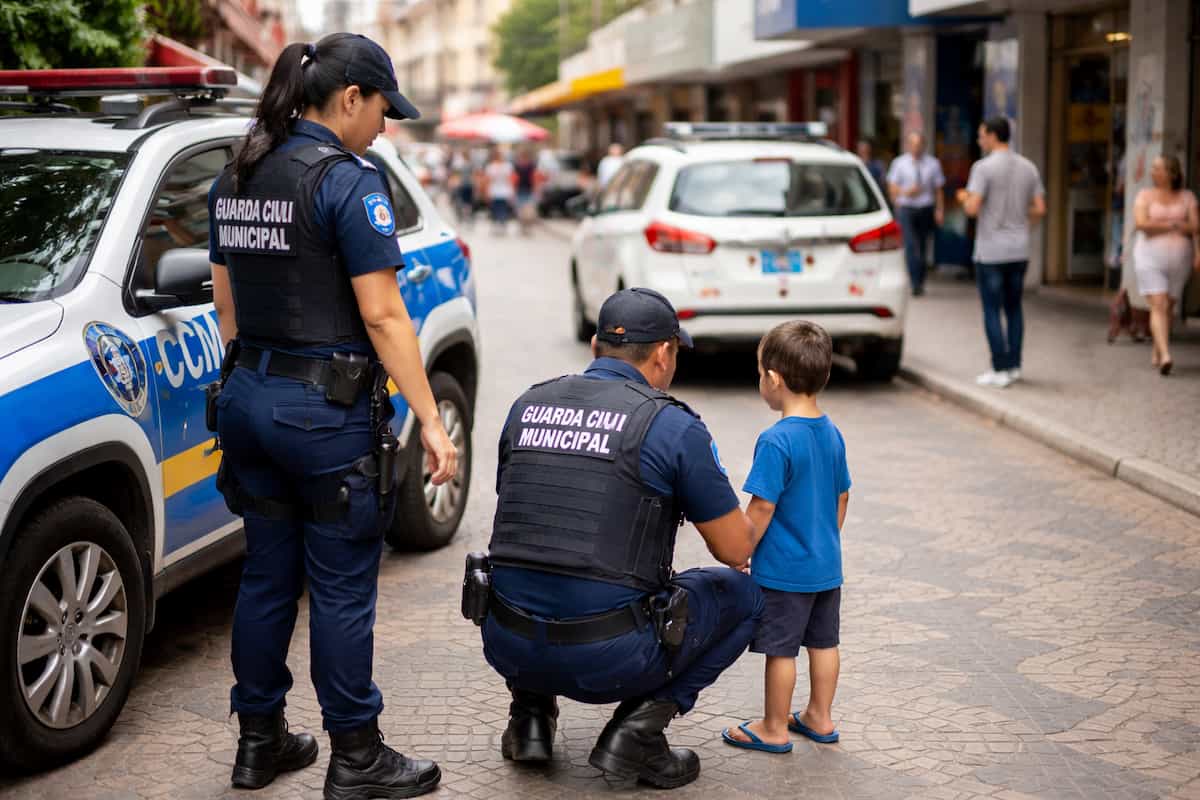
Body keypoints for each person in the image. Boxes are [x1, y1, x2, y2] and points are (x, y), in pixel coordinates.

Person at [207, 33, 458, 799]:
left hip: (247, 400)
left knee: (266, 577)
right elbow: (383, 316)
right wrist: (432, 422)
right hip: (323, 414)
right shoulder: (347, 181)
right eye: (382, 110)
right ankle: (357, 757)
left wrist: (260, 380)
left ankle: (259, 744)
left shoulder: (236, 174)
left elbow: (226, 307)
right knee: (342, 589)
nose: (383, 127)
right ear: (350, 99)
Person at [480, 288, 764, 789]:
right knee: (746, 597)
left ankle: (529, 721)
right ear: (664, 353)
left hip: (507, 641)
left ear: (595, 347)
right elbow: (735, 550)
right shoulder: (672, 425)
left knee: (539, 557)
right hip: (610, 658)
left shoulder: (527, 404)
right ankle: (638, 736)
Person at [721, 321, 850, 755]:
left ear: (773, 379)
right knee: (824, 643)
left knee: (781, 650)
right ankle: (820, 716)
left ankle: (774, 726)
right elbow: (842, 495)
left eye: (760, 373)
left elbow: (762, 507)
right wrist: (825, 541)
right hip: (825, 566)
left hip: (785, 572)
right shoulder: (832, 432)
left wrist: (741, 547)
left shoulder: (776, 441)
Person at [956, 117, 1046, 389]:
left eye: (982, 135)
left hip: (991, 251)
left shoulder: (983, 168)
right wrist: (1022, 225)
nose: (979, 140)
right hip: (1019, 249)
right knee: (1014, 308)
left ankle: (999, 368)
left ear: (993, 136)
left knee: (992, 309)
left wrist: (964, 198)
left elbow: (973, 208)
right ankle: (1015, 365)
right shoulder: (1028, 166)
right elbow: (1040, 208)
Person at [1131, 154, 1199, 376]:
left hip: (1179, 260)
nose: (1153, 172)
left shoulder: (1188, 197)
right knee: (1158, 304)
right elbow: (1142, 224)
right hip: (1149, 257)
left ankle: (1158, 348)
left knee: (1168, 306)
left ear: (1171, 173)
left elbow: (1195, 227)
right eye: (1152, 168)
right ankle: (1166, 355)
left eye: (1158, 168)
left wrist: (1159, 225)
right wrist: (1175, 224)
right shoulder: (1144, 195)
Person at [887, 131, 946, 296]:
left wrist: (939, 210)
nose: (915, 148)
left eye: (918, 144)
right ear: (908, 145)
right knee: (911, 245)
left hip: (925, 208)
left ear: (923, 146)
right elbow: (892, 188)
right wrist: (906, 192)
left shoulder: (933, 164)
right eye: (912, 144)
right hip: (907, 208)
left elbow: (938, 189)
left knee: (923, 245)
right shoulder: (899, 163)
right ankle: (914, 283)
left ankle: (920, 279)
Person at [483, 147, 515, 234]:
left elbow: (510, 180)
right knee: (497, 208)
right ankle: (499, 224)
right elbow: (488, 181)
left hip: (501, 191)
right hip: (497, 191)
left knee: (500, 209)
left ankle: (501, 224)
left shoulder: (505, 166)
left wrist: (511, 191)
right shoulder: (492, 167)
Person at [512, 147, 540, 235]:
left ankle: (527, 226)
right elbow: (514, 178)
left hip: (529, 190)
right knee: (520, 210)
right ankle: (522, 226)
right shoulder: (517, 166)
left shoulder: (532, 166)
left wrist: (536, 189)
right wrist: (513, 189)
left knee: (528, 210)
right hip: (520, 189)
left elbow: (535, 177)